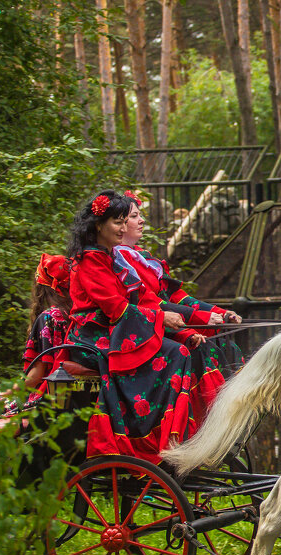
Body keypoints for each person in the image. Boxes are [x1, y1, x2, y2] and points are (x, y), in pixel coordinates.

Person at [65, 189, 207, 463]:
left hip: (115, 331)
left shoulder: (107, 257)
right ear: (98, 225)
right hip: (93, 338)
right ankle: (151, 432)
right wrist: (160, 318)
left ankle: (169, 431)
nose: (122, 228)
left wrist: (177, 322)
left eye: (123, 221)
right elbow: (115, 308)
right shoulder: (90, 260)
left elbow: (138, 301)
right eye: (117, 222)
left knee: (181, 349)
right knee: (176, 354)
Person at [112, 191, 243, 416]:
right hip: (149, 328)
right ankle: (206, 420)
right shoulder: (119, 260)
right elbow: (148, 303)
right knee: (203, 349)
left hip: (168, 324)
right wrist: (199, 320)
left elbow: (177, 297)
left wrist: (219, 312)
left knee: (227, 346)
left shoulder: (142, 257)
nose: (141, 220)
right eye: (134, 216)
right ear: (120, 224)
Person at [22, 254, 73, 390]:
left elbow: (34, 378)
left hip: (51, 395)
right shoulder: (80, 313)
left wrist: (6, 390)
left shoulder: (49, 317)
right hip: (81, 393)